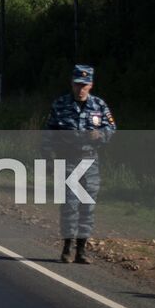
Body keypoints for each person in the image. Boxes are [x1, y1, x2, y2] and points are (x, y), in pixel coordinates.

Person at [45, 64, 116, 264]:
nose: (80, 88)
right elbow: (48, 134)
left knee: (88, 206)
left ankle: (82, 250)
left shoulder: (99, 106)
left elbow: (112, 128)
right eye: (77, 84)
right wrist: (49, 159)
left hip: (90, 161)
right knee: (69, 205)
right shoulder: (60, 105)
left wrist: (100, 134)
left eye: (84, 84)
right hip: (67, 159)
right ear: (72, 83)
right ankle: (67, 247)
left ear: (91, 85)